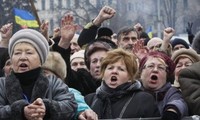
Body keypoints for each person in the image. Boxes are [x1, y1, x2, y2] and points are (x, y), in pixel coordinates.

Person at [0, 29, 77, 120]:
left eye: (29, 53)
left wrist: (46, 108)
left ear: (41, 60)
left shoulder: (53, 82)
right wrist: (21, 111)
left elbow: (70, 105)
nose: (22, 57)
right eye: (17, 53)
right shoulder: (1, 84)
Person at [85, 48, 160, 119]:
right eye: (110, 68)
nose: (114, 71)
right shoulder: (89, 100)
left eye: (121, 69)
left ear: (130, 77)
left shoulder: (144, 99)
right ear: (103, 74)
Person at [139, 51, 188, 120]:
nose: (155, 70)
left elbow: (179, 102)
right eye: (150, 66)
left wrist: (171, 111)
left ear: (166, 76)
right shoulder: (132, 91)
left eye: (161, 68)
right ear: (141, 72)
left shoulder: (172, 92)